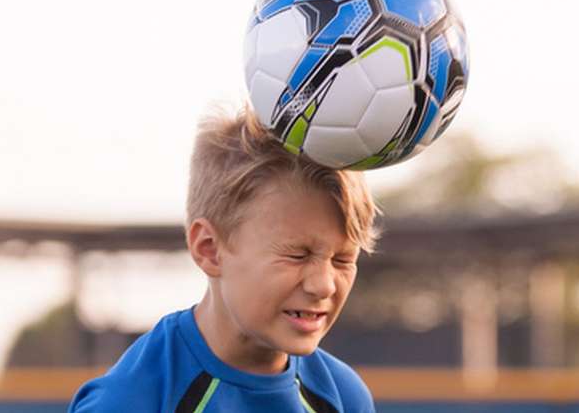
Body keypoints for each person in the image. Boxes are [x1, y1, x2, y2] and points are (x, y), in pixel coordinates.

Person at [69, 105, 380, 412]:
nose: (323, 285)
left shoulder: (344, 397)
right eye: (296, 255)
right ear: (209, 249)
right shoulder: (128, 402)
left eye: (342, 260)